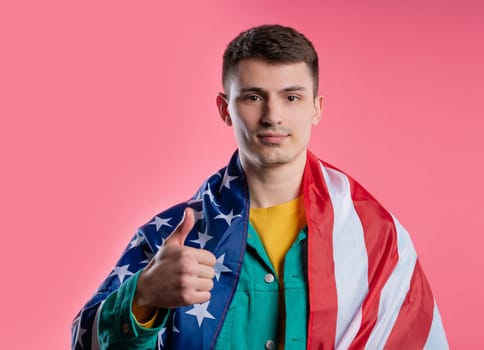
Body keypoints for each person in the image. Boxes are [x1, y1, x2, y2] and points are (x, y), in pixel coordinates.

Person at [72, 24, 448, 349]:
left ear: (316, 108)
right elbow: (83, 341)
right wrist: (143, 296)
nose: (273, 115)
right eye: (253, 97)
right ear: (225, 109)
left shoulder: (376, 238)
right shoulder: (169, 238)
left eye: (291, 97)